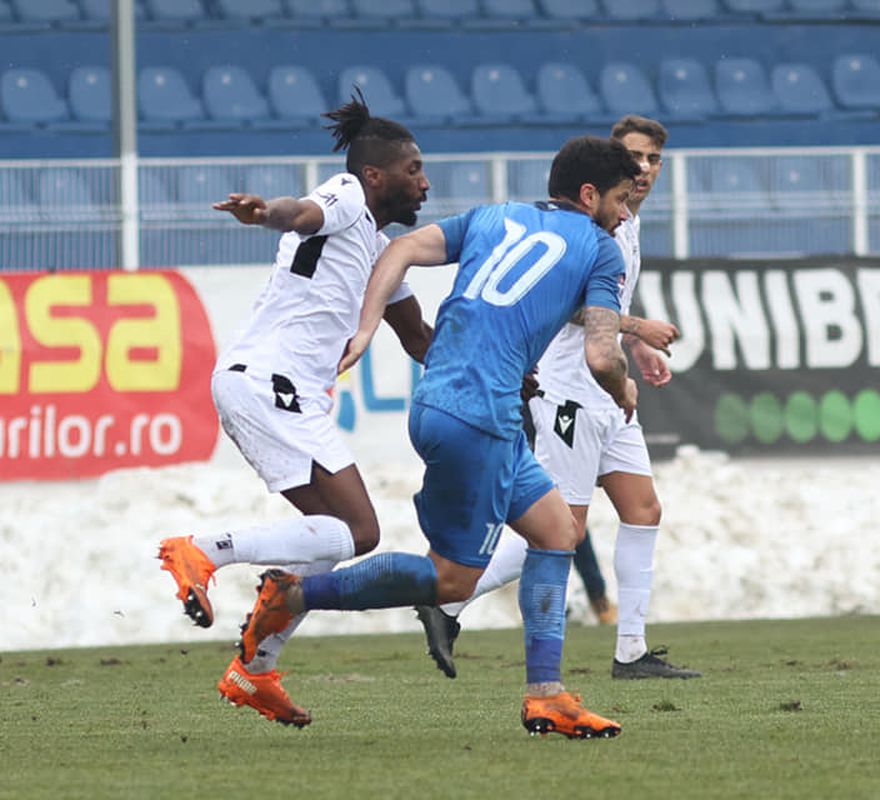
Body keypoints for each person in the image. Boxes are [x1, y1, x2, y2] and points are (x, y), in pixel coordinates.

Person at [236, 134, 643, 739]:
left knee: (557, 530)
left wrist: (369, 325)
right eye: (619, 200)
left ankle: (548, 694)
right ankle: (293, 596)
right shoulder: (601, 250)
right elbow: (603, 355)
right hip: (479, 418)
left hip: (446, 403)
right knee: (452, 579)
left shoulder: (494, 217)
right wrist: (623, 390)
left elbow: (397, 248)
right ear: (589, 195)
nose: (625, 214)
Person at [155, 91, 432, 728]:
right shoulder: (345, 196)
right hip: (268, 380)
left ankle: (253, 668)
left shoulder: (384, 248)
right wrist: (267, 214)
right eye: (413, 168)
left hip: (284, 391)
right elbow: (302, 213)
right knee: (358, 531)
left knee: (339, 539)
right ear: (375, 174)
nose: (424, 181)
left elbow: (419, 338)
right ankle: (203, 549)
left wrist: (494, 375)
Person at [415, 115, 700, 681]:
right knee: (560, 530)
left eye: (653, 160)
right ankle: (447, 600)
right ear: (610, 165)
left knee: (643, 510)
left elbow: (605, 310)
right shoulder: (594, 223)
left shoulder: (627, 224)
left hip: (610, 392)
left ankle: (631, 651)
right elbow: (570, 305)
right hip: (569, 390)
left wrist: (634, 350)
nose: (642, 170)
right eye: (633, 158)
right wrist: (638, 328)